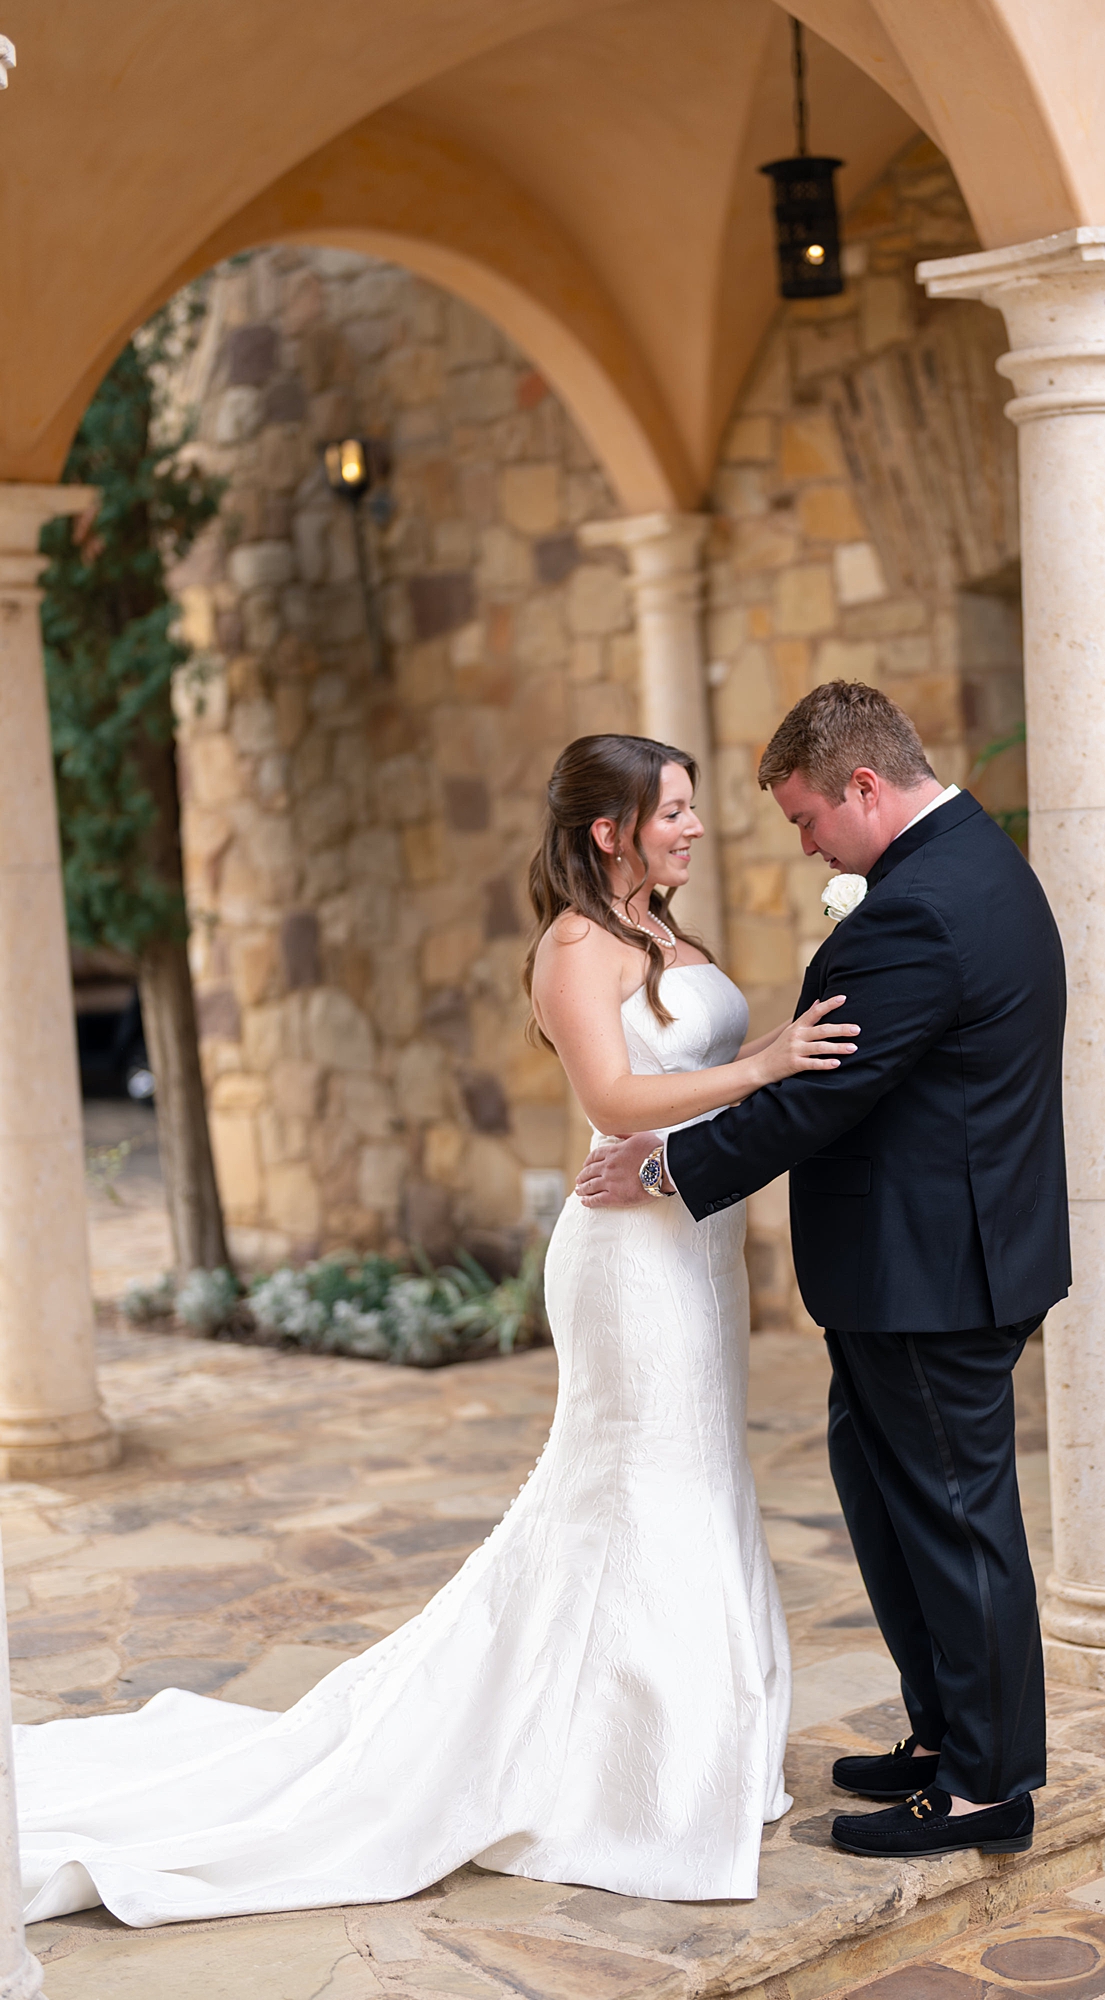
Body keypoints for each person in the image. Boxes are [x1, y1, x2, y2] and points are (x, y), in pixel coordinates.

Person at [15, 733, 858, 1923]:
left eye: (689, 806)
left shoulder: (664, 931)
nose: (693, 826)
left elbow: (692, 1080)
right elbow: (614, 1096)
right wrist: (767, 1062)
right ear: (609, 829)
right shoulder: (575, 946)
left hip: (696, 1244)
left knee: (704, 1471)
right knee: (643, 1482)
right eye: (672, 809)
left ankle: (701, 1741)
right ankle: (632, 1774)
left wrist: (772, 1056)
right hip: (630, 1262)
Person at [578, 681, 1070, 1863]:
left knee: (956, 1523)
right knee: (894, 1502)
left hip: (930, 1277)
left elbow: (822, 1094)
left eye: (807, 818)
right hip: (926, 1264)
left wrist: (665, 1168)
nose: (805, 844)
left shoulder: (921, 908)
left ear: (863, 785)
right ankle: (943, 1734)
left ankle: (986, 1785)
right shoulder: (971, 862)